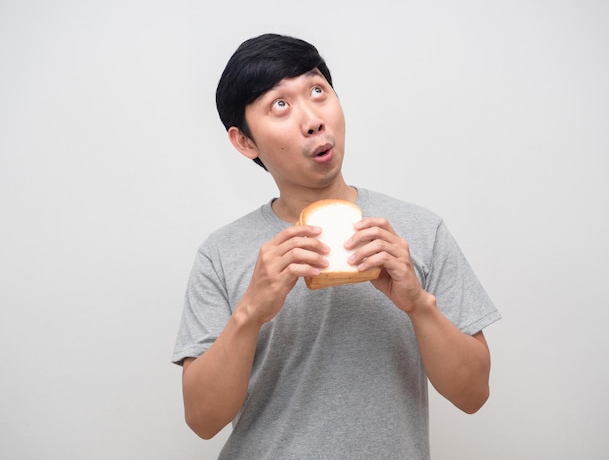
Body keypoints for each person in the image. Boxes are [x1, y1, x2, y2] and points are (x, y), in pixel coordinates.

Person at [172, 33, 501, 459]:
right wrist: (250, 313)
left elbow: (473, 394)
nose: (312, 119)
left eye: (317, 90)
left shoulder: (419, 230)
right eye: (280, 105)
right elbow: (202, 420)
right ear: (244, 142)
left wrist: (418, 303)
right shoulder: (221, 253)